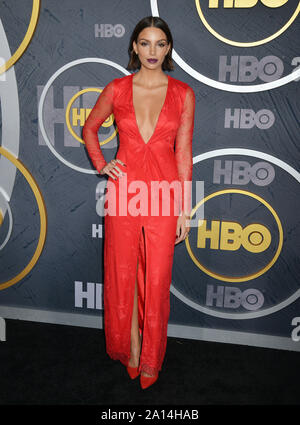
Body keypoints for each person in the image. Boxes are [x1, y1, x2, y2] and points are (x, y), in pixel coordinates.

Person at [82, 16, 195, 389]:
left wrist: (184, 208)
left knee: (158, 280)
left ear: (168, 48)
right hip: (125, 193)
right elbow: (90, 128)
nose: (152, 51)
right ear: (134, 46)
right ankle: (131, 350)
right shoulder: (116, 88)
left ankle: (151, 358)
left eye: (160, 44)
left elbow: (183, 153)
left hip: (164, 196)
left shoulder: (183, 93)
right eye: (145, 43)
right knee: (123, 273)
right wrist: (102, 164)